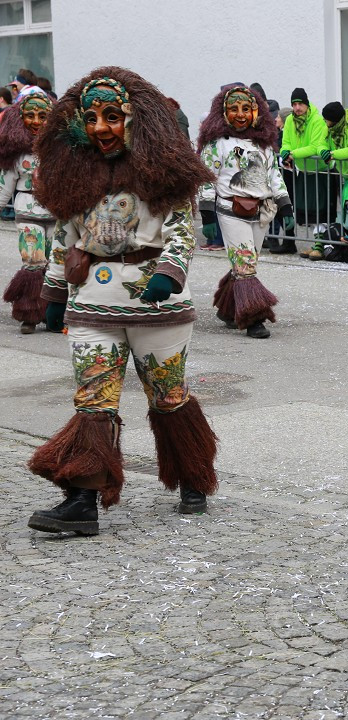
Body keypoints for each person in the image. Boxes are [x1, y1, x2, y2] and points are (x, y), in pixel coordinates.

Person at [27, 66, 219, 536]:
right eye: (90, 118)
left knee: (168, 396)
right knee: (94, 401)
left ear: (137, 119)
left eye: (112, 116)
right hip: (93, 304)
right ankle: (83, 500)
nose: (100, 129)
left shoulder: (165, 174)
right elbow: (64, 238)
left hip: (158, 308)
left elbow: (180, 234)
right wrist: (52, 291)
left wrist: (170, 275)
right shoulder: (75, 175)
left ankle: (193, 477)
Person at [197, 84, 293, 340]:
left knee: (245, 263)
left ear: (256, 111)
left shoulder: (264, 145)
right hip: (230, 209)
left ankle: (228, 311)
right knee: (245, 264)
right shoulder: (216, 145)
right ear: (223, 112)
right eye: (234, 109)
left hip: (261, 212)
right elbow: (207, 179)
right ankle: (253, 318)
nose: (240, 114)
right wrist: (207, 214)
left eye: (246, 109)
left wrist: (286, 207)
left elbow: (274, 176)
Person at [0, 94, 54, 333]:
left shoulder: (60, 151)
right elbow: (4, 186)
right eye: (30, 115)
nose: (36, 121)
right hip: (27, 213)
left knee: (56, 265)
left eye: (43, 116)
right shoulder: (16, 153)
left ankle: (54, 314)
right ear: (20, 118)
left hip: (57, 216)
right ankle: (29, 314)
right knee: (33, 262)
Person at [306, 101, 348, 262]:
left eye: (326, 119)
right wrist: (323, 151)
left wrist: (332, 154)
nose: (324, 122)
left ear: (334, 120)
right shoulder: (330, 128)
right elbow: (320, 143)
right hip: (347, 173)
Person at [280, 88, 334, 229]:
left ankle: (320, 245)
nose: (297, 108)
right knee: (308, 213)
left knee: (321, 213)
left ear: (307, 103)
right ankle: (316, 245)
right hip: (303, 171)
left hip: (320, 171)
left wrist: (292, 154)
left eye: (300, 104)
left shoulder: (316, 120)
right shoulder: (290, 120)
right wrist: (284, 151)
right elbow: (285, 142)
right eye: (294, 104)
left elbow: (315, 146)